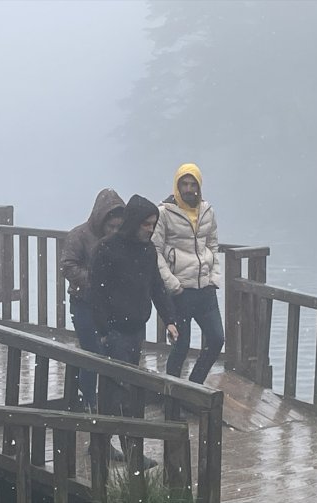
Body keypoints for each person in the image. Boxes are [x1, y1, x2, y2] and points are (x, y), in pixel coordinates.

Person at [89, 194, 178, 467]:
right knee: (117, 392)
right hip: (114, 331)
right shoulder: (106, 249)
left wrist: (170, 319)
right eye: (146, 224)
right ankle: (124, 452)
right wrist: (104, 331)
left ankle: (105, 446)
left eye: (153, 225)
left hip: (137, 329)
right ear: (134, 223)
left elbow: (156, 288)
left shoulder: (148, 251)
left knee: (124, 390)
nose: (150, 230)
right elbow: (97, 293)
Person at [151, 163, 224, 385]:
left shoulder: (207, 211)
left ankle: (193, 386)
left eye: (193, 184)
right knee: (181, 346)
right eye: (184, 184)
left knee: (216, 339)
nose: (189, 189)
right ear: (177, 185)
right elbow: (155, 251)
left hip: (205, 289)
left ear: (199, 186)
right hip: (180, 291)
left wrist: (213, 278)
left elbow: (213, 245)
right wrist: (172, 284)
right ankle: (172, 394)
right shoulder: (164, 213)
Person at [60, 188, 125, 411]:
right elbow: (68, 266)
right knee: (92, 352)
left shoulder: (120, 242)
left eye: (119, 227)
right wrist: (96, 282)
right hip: (84, 304)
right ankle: (87, 399)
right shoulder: (78, 236)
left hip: (110, 308)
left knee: (109, 353)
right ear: (100, 220)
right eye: (111, 226)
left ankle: (103, 402)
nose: (114, 231)